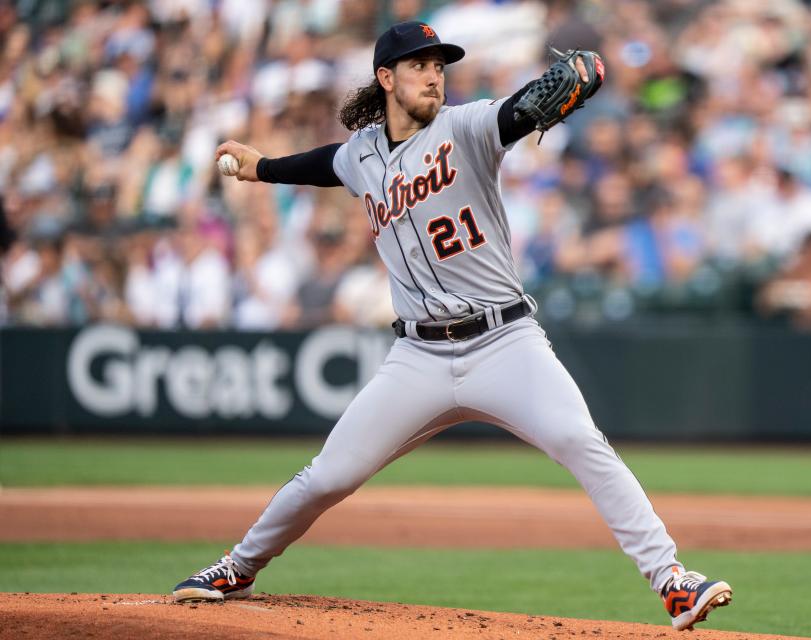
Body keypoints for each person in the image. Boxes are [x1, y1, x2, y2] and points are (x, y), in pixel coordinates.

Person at [171, 21, 732, 632]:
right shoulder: (362, 154)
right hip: (418, 358)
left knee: (581, 442)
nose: (433, 74)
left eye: (439, 65)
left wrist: (581, 76)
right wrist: (264, 168)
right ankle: (239, 566)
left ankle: (672, 580)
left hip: (504, 341)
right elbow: (325, 165)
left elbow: (517, 113)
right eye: (418, 65)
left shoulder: (466, 128)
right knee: (329, 475)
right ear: (386, 78)